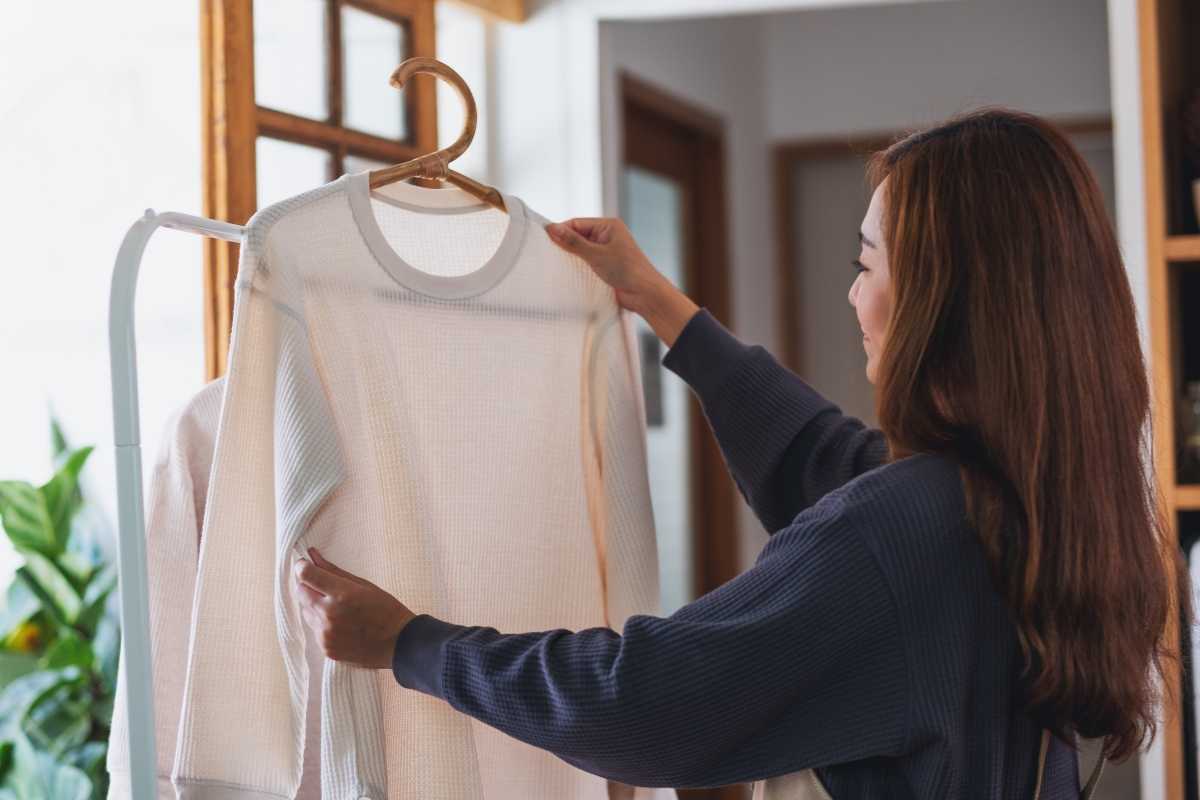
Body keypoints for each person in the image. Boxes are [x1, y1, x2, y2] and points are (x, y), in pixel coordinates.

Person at [291, 107, 1190, 799]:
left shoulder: (906, 530)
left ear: (937, 301)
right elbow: (828, 464)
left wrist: (412, 644)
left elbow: (646, 705)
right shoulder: (1044, 497)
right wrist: (665, 309)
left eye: (867, 264)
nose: (854, 295)